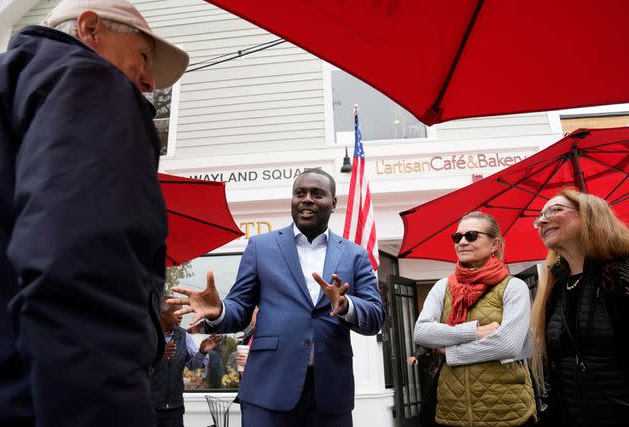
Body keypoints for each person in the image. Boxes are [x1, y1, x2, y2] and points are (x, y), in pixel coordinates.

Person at [0, 0, 189, 426]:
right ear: (90, 29)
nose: (150, 81)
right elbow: (79, 273)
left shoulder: (2, 90)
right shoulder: (90, 81)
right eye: (144, 55)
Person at [169, 168, 385, 427]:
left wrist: (347, 304)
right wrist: (221, 310)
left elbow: (376, 317)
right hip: (268, 388)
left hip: (330, 393)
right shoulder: (261, 247)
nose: (306, 199)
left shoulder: (355, 254)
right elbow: (240, 309)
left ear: (333, 203)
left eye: (317, 194)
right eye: (299, 193)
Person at [414, 211, 536, 427]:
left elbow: (507, 345)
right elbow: (422, 332)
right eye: (457, 237)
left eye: (471, 236)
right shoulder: (442, 286)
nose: (462, 242)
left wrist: (451, 351)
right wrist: (474, 332)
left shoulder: (513, 286)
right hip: (452, 411)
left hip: (507, 412)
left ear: (495, 244)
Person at [529, 189, 629, 426]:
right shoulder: (554, 287)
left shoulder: (621, 275)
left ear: (589, 215)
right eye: (540, 216)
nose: (543, 220)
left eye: (555, 210)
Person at [152, 296, 221, 427]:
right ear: (162, 313)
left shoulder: (184, 336)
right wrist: (157, 354)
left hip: (174, 409)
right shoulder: (147, 335)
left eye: (182, 312)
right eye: (177, 312)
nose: (181, 316)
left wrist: (202, 352)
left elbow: (193, 365)